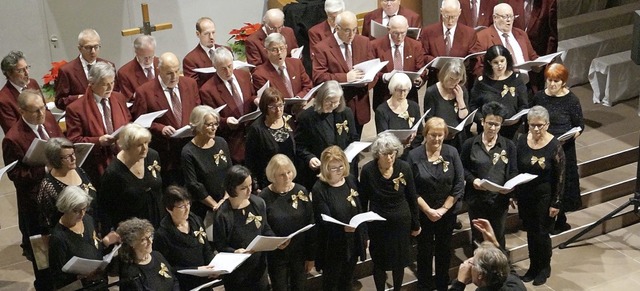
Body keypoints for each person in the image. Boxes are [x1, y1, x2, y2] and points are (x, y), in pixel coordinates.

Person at [2, 89, 63, 291]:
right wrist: (44, 168)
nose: (41, 114)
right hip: (34, 203)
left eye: (43, 108)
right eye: (35, 111)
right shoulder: (13, 138)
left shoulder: (50, 121)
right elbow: (15, 174)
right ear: (22, 111)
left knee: (61, 242)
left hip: (58, 192)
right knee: (42, 253)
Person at [406, 117, 464, 291]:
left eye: (440, 135)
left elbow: (459, 184)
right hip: (424, 213)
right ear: (425, 134)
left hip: (446, 213)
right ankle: (424, 284)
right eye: (433, 135)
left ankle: (442, 282)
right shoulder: (413, 155)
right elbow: (411, 189)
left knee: (444, 250)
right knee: (423, 251)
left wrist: (444, 209)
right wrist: (429, 210)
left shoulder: (451, 152)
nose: (437, 139)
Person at [359, 133, 420, 291]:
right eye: (386, 154)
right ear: (377, 154)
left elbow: (412, 197)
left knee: (399, 262)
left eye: (392, 153)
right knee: (379, 262)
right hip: (378, 224)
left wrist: (416, 223)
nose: (390, 158)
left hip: (401, 223)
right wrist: (364, 231)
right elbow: (363, 202)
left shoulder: (404, 167)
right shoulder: (367, 171)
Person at [132, 52, 201, 186]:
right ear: (159, 70)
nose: (175, 76)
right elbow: (139, 123)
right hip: (166, 155)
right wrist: (160, 128)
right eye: (169, 73)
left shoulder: (190, 84)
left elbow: (197, 107)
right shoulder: (145, 92)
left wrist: (197, 121)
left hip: (191, 150)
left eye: (177, 71)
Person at [531, 63, 583, 234]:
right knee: (546, 181)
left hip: (564, 148)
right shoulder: (539, 97)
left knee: (562, 182)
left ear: (563, 82)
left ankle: (560, 218)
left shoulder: (571, 100)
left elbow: (580, 125)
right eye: (549, 80)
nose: (552, 84)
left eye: (556, 81)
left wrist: (570, 136)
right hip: (544, 146)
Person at [516, 106, 564, 285]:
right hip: (525, 194)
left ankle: (544, 267)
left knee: (541, 233)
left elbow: (560, 176)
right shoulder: (521, 140)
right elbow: (516, 166)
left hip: (545, 195)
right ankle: (533, 266)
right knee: (530, 232)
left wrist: (556, 202)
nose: (536, 129)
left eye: (540, 125)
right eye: (533, 125)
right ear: (528, 124)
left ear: (547, 124)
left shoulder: (554, 145)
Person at [460, 102, 518, 249]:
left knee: (497, 237)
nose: (492, 128)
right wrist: (473, 180)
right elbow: (462, 168)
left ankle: (499, 270)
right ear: (482, 121)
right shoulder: (470, 144)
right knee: (478, 237)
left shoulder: (508, 145)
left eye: (497, 125)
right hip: (477, 200)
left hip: (498, 200)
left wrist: (510, 187)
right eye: (490, 123)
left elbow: (512, 171)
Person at [65, 61, 132, 186]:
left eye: (112, 83)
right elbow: (74, 140)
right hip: (97, 165)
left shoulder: (119, 98)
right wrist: (98, 141)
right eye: (104, 84)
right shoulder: (76, 108)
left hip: (124, 159)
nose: (109, 88)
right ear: (92, 83)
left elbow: (128, 121)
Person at [312, 146, 367, 291]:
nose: (339, 171)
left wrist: (364, 234)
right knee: (331, 284)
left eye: (341, 166)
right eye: (333, 168)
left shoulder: (350, 180)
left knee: (347, 282)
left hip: (352, 241)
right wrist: (342, 228)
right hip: (333, 246)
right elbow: (323, 219)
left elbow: (359, 207)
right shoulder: (320, 188)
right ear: (325, 168)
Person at [213, 165, 274, 290]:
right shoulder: (223, 214)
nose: (249, 190)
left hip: (258, 268)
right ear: (232, 188)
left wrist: (274, 240)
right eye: (243, 188)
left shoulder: (258, 203)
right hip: (237, 273)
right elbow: (220, 245)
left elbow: (264, 227)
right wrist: (235, 252)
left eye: (250, 185)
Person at [259, 155, 315, 291]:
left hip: (300, 252)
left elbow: (310, 222)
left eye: (289, 172)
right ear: (273, 176)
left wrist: (311, 256)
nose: (287, 177)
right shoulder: (264, 198)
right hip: (277, 255)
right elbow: (263, 226)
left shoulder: (300, 191)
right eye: (282, 175)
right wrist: (274, 240)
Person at [312, 11, 374, 133]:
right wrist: (345, 77)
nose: (352, 34)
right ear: (337, 28)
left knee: (355, 140)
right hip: (337, 105)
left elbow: (374, 69)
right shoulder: (322, 48)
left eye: (355, 30)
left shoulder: (364, 42)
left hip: (360, 103)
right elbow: (319, 77)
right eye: (347, 30)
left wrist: (367, 82)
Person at [48, 186, 120, 289]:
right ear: (65, 208)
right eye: (76, 211)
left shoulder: (88, 220)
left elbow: (92, 247)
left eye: (84, 208)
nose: (82, 214)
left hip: (100, 283)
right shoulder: (58, 238)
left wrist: (105, 243)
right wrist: (80, 277)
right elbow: (57, 277)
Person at [99, 124, 163, 232]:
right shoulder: (113, 173)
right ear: (127, 146)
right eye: (139, 145)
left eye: (146, 143)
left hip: (158, 221)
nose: (145, 148)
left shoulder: (152, 155)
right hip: (133, 229)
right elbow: (106, 209)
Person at [295, 80, 358, 190]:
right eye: (329, 101)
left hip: (343, 169)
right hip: (321, 171)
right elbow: (299, 146)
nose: (333, 105)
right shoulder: (307, 117)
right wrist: (309, 158)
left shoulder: (345, 113)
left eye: (336, 102)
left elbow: (353, 138)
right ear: (320, 98)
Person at [199, 47, 257, 164]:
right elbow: (211, 118)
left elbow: (251, 95)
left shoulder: (244, 75)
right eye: (223, 69)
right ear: (215, 67)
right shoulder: (207, 90)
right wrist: (226, 121)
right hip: (233, 142)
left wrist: (256, 99)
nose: (228, 71)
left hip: (254, 134)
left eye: (230, 66)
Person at [153, 186, 215, 291]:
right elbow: (166, 267)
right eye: (182, 206)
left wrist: (213, 267)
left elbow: (206, 248)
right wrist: (195, 269)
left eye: (188, 204)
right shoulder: (162, 234)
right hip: (184, 284)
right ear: (169, 209)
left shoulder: (195, 220)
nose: (187, 209)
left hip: (204, 280)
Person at [37, 138, 97, 235]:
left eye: (73, 154)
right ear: (55, 160)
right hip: (70, 236)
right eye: (68, 157)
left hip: (91, 227)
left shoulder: (80, 171)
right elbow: (47, 222)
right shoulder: (48, 186)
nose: (74, 158)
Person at [181, 105, 231, 219]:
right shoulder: (188, 152)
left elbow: (230, 172)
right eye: (209, 125)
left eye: (216, 124)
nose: (214, 128)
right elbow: (194, 185)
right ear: (198, 125)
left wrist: (225, 199)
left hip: (226, 201)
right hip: (204, 209)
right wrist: (215, 205)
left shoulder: (221, 142)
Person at [449, 219, 526, 291]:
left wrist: (459, 283)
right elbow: (508, 268)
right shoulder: (515, 284)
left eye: (472, 262)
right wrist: (494, 243)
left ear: (480, 275)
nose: (468, 261)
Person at [470, 45, 527, 139]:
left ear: (507, 60)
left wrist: (517, 119)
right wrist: (482, 119)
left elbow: (523, 105)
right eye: (495, 62)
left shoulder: (516, 79)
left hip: (511, 130)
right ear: (489, 63)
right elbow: (473, 106)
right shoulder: (481, 82)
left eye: (502, 61)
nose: (500, 65)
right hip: (488, 130)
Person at [470, 3, 539, 78]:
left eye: (511, 16)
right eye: (505, 17)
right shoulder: (482, 37)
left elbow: (533, 57)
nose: (509, 20)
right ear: (495, 18)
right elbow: (477, 68)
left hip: (525, 84)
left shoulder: (521, 34)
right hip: (498, 86)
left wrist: (541, 63)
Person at [252, 32, 313, 116]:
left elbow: (308, 86)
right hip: (281, 115)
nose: (279, 52)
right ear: (266, 51)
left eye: (282, 48)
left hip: (303, 110)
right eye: (274, 50)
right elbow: (268, 101)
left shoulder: (296, 63)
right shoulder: (260, 74)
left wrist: (298, 98)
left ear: (286, 47)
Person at [371, 15, 426, 108]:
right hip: (384, 96)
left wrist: (420, 79)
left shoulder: (415, 46)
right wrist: (384, 76)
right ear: (388, 29)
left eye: (403, 33)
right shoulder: (375, 46)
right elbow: (372, 71)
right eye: (395, 33)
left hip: (409, 97)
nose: (399, 37)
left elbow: (421, 68)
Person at [246, 88, 296, 190]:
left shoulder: (288, 119)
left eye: (280, 105)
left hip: (290, 178)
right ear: (265, 108)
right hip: (269, 182)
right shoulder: (256, 129)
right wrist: (256, 186)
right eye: (272, 107)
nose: (278, 110)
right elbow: (250, 161)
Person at [55, 29, 117, 110]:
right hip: (81, 114)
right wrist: (79, 98)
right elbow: (60, 102)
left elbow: (115, 92)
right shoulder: (67, 71)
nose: (93, 51)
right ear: (79, 48)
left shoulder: (108, 65)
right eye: (88, 47)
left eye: (96, 47)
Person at [420, 0, 477, 88]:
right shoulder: (428, 32)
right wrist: (437, 61)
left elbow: (473, 58)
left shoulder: (469, 33)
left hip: (459, 82)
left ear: (459, 12)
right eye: (446, 16)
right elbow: (422, 55)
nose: (450, 20)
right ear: (441, 11)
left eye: (453, 17)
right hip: (436, 81)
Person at [115, 218, 180, 290]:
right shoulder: (131, 272)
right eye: (143, 239)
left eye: (150, 236)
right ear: (131, 243)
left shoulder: (157, 256)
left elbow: (174, 280)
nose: (150, 241)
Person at [424, 59, 470, 151]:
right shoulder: (432, 92)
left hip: (458, 139)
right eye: (451, 78)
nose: (453, 82)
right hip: (439, 139)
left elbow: (464, 118)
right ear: (444, 75)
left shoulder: (461, 90)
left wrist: (460, 100)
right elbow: (429, 119)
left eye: (457, 79)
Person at [374, 73, 423, 158]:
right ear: (392, 89)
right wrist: (401, 145)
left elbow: (420, 133)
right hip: (392, 155)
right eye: (399, 90)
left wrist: (411, 144)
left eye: (405, 90)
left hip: (412, 151)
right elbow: (382, 138)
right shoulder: (382, 110)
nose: (402, 94)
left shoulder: (414, 106)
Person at [0, 50, 43, 133]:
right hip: (25, 139)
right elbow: (13, 131)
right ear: (9, 73)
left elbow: (45, 109)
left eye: (27, 68)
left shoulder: (33, 83)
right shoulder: (3, 99)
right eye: (20, 71)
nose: (27, 73)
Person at [183, 17, 230, 88]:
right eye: (206, 34)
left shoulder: (226, 50)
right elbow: (194, 87)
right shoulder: (190, 60)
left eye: (213, 32)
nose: (211, 37)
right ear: (198, 34)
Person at [116, 35, 159, 101]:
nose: (147, 60)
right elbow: (129, 99)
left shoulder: (162, 63)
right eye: (144, 57)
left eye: (150, 56)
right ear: (136, 52)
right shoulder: (124, 73)